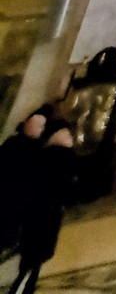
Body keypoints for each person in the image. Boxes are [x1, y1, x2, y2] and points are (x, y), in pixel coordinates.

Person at [8, 117, 75, 293]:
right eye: (65, 134)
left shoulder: (55, 157)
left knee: (32, 263)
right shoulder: (54, 158)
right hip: (42, 216)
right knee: (31, 264)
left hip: (43, 216)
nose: (69, 137)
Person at [0, 108, 51, 260]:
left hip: (14, 207)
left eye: (40, 126)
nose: (36, 128)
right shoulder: (13, 143)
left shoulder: (39, 154)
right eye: (34, 123)